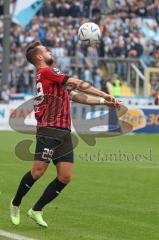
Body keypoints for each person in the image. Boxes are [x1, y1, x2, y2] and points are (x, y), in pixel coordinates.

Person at [10, 41, 120, 228]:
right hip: (49, 129)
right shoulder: (47, 72)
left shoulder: (52, 77)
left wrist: (103, 101)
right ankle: (15, 203)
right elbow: (77, 83)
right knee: (37, 172)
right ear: (39, 57)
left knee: (65, 176)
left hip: (64, 132)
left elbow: (76, 95)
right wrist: (105, 93)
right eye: (46, 50)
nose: (50, 51)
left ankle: (36, 209)